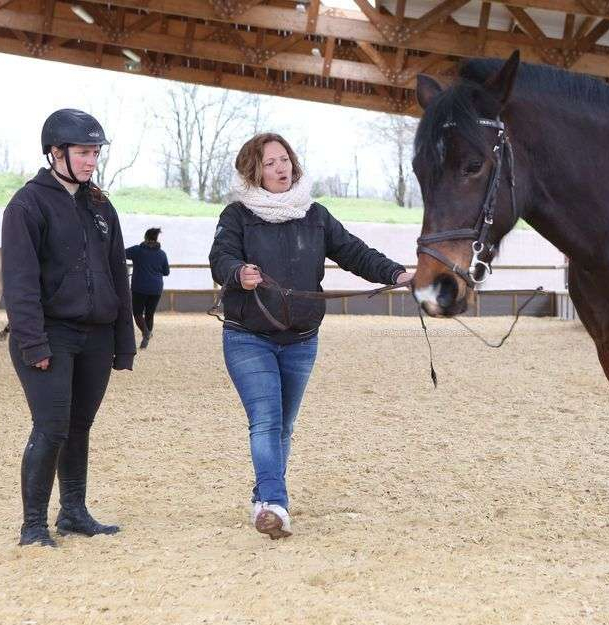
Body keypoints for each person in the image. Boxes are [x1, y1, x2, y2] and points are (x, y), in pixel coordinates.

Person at [209, 133, 412, 540]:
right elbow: (221, 257)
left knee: (282, 425)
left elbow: (354, 251)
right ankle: (275, 506)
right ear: (253, 169)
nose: (281, 168)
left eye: (284, 159)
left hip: (302, 339)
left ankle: (263, 496)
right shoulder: (237, 215)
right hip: (248, 336)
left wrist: (397, 273)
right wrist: (238, 274)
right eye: (269, 163)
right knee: (265, 420)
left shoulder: (315, 215)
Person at [1, 109, 136, 547]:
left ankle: (73, 511)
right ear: (55, 152)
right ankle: (33, 525)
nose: (91, 160)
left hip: (96, 335)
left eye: (95, 152)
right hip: (51, 334)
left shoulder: (100, 204)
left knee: (79, 426)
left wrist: (124, 341)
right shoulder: (27, 205)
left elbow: (118, 273)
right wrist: (33, 341)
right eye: (82, 152)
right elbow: (19, 283)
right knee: (51, 426)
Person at [126, 227, 170, 349]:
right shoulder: (162, 254)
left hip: (139, 287)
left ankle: (146, 332)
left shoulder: (137, 250)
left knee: (137, 313)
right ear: (156, 238)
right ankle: (146, 340)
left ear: (145, 237)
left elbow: (120, 253)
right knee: (150, 314)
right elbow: (166, 272)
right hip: (156, 288)